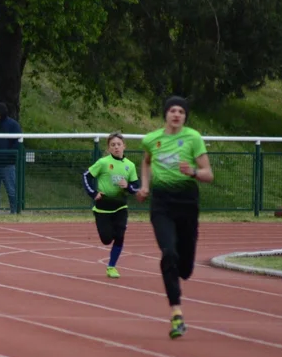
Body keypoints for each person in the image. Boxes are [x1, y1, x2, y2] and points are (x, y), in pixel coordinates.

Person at [137, 96, 214, 339]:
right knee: (169, 253)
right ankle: (176, 312)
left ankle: (182, 269)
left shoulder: (193, 138)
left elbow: (208, 174)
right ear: (165, 114)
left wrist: (192, 171)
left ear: (185, 116)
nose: (177, 114)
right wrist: (145, 186)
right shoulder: (151, 140)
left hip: (187, 202)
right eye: (172, 110)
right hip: (162, 203)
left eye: (181, 111)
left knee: (185, 267)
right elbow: (146, 162)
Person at [82, 132, 140, 279]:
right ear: (108, 148)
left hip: (121, 205)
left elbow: (135, 188)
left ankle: (111, 266)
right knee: (107, 239)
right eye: (113, 145)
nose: (116, 147)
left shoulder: (130, 166)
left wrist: (127, 186)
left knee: (120, 235)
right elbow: (86, 176)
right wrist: (93, 193)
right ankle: (110, 233)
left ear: (124, 146)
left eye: (119, 144)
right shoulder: (103, 162)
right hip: (103, 206)